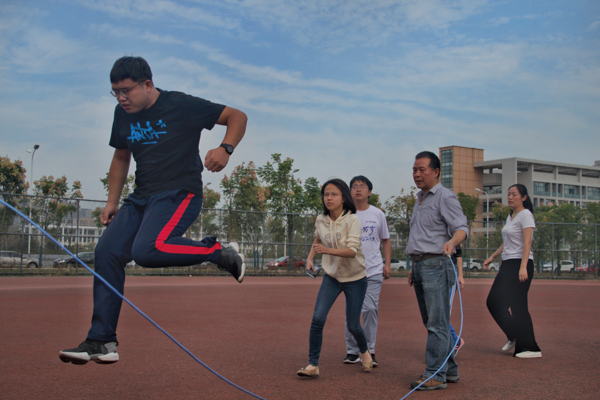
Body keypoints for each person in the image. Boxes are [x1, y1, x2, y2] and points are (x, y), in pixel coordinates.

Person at [59, 56, 248, 365]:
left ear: (147, 85)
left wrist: (225, 148)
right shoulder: (122, 115)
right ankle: (102, 340)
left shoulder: (181, 105)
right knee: (106, 251)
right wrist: (112, 201)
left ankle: (218, 252)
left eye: (126, 91)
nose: (121, 98)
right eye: (114, 92)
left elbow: (237, 116)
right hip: (142, 197)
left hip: (180, 192)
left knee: (148, 250)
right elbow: (122, 157)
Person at [297, 179, 373, 378]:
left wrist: (327, 250)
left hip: (356, 278)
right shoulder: (321, 219)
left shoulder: (353, 220)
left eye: (334, 194)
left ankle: (364, 352)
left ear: (343, 198)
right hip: (332, 277)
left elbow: (351, 251)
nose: (329, 198)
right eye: (326, 194)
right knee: (317, 319)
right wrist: (310, 258)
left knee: (353, 325)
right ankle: (313, 365)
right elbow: (318, 238)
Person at [406, 151, 468, 391]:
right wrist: (413, 265)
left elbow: (462, 228)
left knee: (437, 323)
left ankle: (435, 374)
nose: (417, 174)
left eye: (422, 169)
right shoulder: (419, 199)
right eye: (414, 170)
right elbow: (419, 235)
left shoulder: (445, 197)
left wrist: (452, 243)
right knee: (431, 321)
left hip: (437, 265)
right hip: (420, 265)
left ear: (436, 172)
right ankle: (449, 369)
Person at [484, 184, 542, 358]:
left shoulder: (526, 215)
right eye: (508, 194)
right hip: (508, 264)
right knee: (493, 302)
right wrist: (493, 256)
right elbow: (508, 241)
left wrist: (523, 266)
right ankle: (515, 334)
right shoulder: (511, 217)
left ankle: (530, 348)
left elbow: (527, 242)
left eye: (514, 194)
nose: (509, 197)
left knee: (518, 306)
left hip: (520, 265)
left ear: (523, 197)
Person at [342, 176, 391, 367]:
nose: (358, 190)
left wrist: (386, 264)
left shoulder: (378, 214)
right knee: (352, 313)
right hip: (350, 272)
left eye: (362, 187)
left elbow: (386, 239)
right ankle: (353, 351)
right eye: (354, 187)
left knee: (370, 309)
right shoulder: (345, 214)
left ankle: (369, 350)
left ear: (369, 192)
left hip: (373, 271)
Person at [450, 246, 465, 355]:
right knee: (431, 313)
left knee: (442, 313)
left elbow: (458, 254)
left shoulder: (451, 231)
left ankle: (455, 341)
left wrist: (460, 275)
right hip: (431, 269)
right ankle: (454, 340)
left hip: (450, 270)